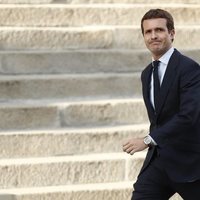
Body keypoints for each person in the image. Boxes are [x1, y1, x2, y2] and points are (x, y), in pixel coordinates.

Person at [122, 8, 200, 200]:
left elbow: (188, 116)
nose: (153, 36)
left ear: (171, 33)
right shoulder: (146, 73)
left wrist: (147, 140)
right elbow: (158, 119)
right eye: (148, 32)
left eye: (159, 30)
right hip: (159, 161)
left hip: (191, 163)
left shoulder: (189, 69)